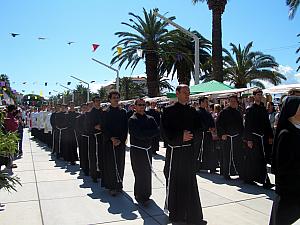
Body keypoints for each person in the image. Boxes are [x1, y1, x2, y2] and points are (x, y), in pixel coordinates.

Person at [161, 84, 206, 225]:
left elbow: (199, 130)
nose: (187, 95)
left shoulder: (193, 111)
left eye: (188, 93)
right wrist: (180, 137)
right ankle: (177, 214)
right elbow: (164, 132)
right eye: (185, 92)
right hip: (175, 152)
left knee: (190, 183)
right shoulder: (168, 111)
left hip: (188, 152)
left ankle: (193, 215)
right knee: (175, 183)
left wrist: (191, 137)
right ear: (177, 93)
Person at [269, 96, 300, 225]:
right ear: (293, 110)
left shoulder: (297, 129)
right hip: (289, 187)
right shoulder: (286, 134)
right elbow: (283, 165)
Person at [129, 98, 160, 205]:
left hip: (147, 150)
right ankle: (139, 195)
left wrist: (146, 133)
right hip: (137, 151)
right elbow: (138, 135)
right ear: (135, 107)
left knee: (147, 173)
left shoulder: (150, 118)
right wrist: (149, 133)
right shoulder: (132, 119)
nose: (142, 106)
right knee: (139, 173)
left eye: (143, 105)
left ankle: (147, 195)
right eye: (140, 105)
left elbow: (157, 131)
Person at [243, 88, 274, 189]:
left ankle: (264, 179)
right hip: (254, 139)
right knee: (253, 159)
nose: (260, 96)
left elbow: (267, 124)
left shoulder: (263, 109)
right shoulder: (250, 109)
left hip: (262, 138)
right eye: (258, 94)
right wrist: (249, 140)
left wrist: (270, 136)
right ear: (254, 96)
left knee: (262, 159)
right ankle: (251, 178)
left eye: (261, 94)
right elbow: (247, 126)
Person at [102, 91, 128, 196]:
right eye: (114, 98)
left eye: (117, 97)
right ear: (109, 99)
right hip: (109, 142)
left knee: (120, 164)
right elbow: (104, 128)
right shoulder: (105, 112)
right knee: (111, 165)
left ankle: (119, 184)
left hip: (120, 143)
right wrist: (112, 138)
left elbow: (125, 128)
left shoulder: (123, 112)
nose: (116, 99)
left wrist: (120, 140)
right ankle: (112, 186)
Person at [216, 95, 244, 180]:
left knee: (237, 156)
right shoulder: (224, 112)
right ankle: (226, 174)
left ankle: (239, 172)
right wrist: (222, 134)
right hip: (227, 138)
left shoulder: (238, 112)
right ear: (228, 102)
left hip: (236, 138)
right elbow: (218, 124)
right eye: (231, 101)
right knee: (227, 156)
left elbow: (241, 126)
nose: (233, 103)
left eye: (234, 101)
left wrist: (242, 135)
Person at [197, 97, 218, 173]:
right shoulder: (197, 112)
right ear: (201, 102)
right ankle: (198, 166)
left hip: (208, 135)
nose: (207, 103)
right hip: (201, 135)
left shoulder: (208, 113)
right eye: (206, 102)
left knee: (210, 151)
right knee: (200, 151)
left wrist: (212, 128)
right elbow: (198, 124)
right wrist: (207, 128)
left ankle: (211, 167)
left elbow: (212, 122)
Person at [86, 96, 103, 183]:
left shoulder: (103, 112)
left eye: (99, 100)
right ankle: (94, 175)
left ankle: (101, 173)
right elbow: (87, 127)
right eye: (96, 101)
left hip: (102, 137)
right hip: (93, 136)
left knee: (102, 156)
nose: (98, 102)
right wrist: (94, 127)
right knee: (93, 156)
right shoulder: (90, 113)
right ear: (93, 102)